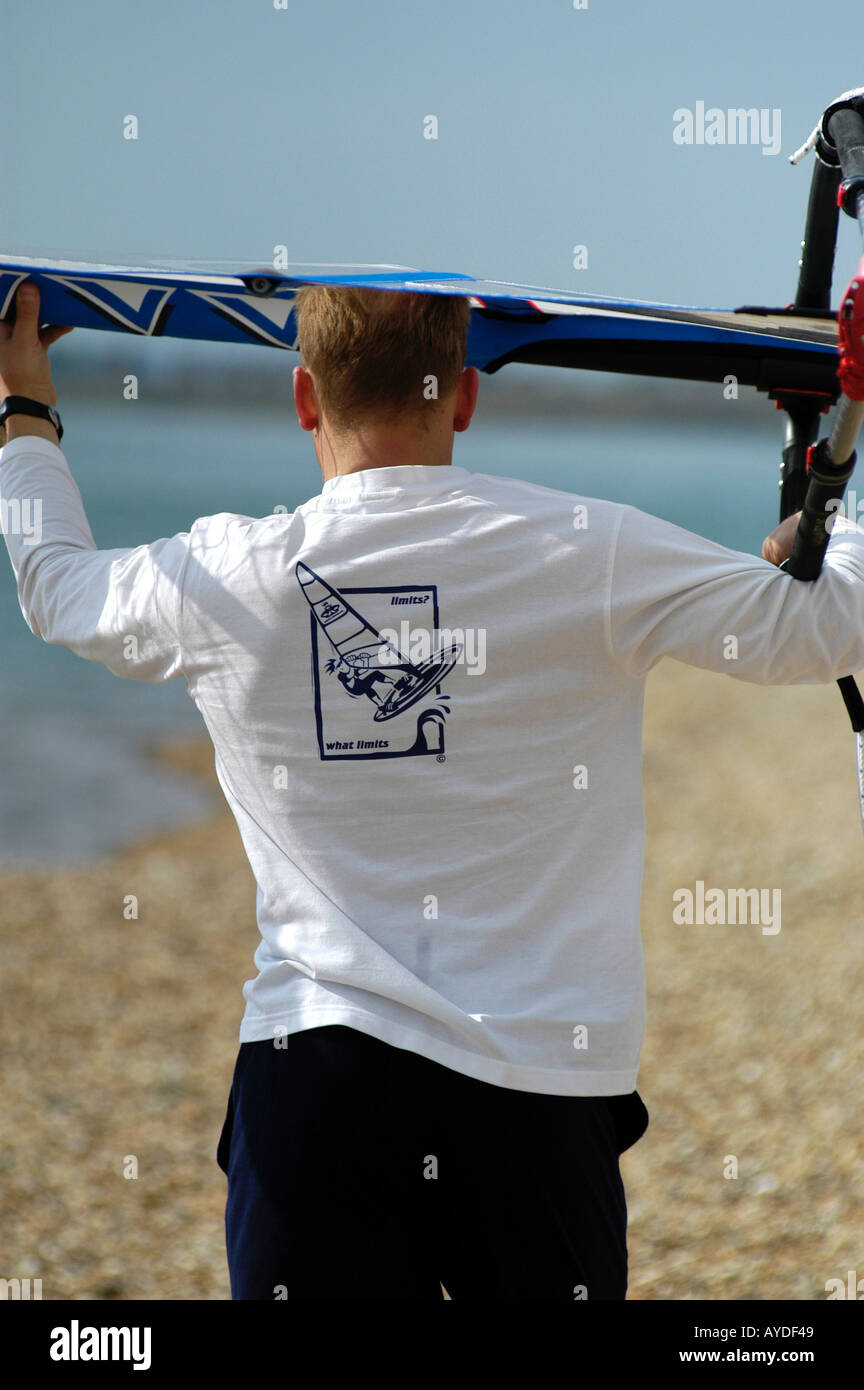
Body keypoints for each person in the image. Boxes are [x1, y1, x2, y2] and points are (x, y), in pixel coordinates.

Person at [1, 279, 863, 1302]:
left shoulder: (222, 575)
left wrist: (24, 407)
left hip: (315, 1080)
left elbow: (53, 587)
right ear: (463, 394)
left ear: (304, 400)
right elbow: (831, 628)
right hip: (537, 1091)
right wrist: (832, 517)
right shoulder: (588, 549)